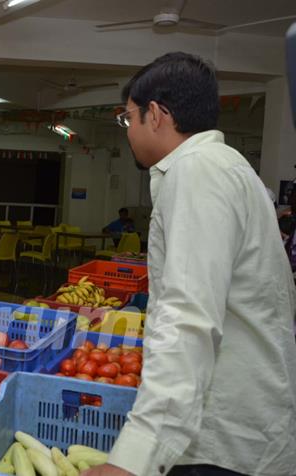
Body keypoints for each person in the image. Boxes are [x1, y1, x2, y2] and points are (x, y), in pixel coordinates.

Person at [85, 53, 296, 476]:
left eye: (129, 119)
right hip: (245, 427)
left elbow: (188, 317)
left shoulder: (196, 173)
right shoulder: (230, 167)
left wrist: (133, 459)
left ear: (157, 115)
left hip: (221, 441)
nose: (128, 133)